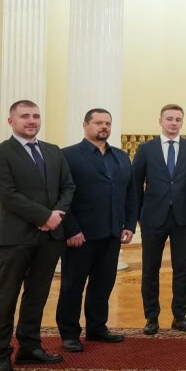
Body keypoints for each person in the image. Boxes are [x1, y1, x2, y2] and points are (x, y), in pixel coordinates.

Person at [0, 100, 75, 371]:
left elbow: (68, 186)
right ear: (11, 121)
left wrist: (56, 216)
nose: (31, 120)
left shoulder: (53, 151)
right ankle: (0, 355)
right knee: (6, 297)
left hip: (50, 238)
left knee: (37, 295)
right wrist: (44, 216)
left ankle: (30, 346)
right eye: (24, 116)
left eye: (35, 115)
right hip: (15, 237)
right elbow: (6, 193)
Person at [57, 108, 136, 351]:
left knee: (103, 285)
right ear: (85, 125)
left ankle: (97, 328)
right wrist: (70, 229)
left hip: (112, 233)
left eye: (107, 123)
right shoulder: (68, 155)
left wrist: (129, 224)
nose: (104, 127)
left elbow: (131, 192)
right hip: (79, 235)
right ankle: (69, 334)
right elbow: (61, 196)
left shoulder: (121, 156)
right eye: (98, 122)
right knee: (72, 286)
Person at [132, 103, 186, 335]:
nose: (174, 123)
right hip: (152, 217)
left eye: (178, 119)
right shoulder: (146, 149)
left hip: (184, 217)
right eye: (169, 119)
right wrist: (137, 215)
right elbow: (135, 184)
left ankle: (180, 316)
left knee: (181, 268)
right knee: (150, 269)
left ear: (182, 122)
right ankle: (151, 317)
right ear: (160, 121)